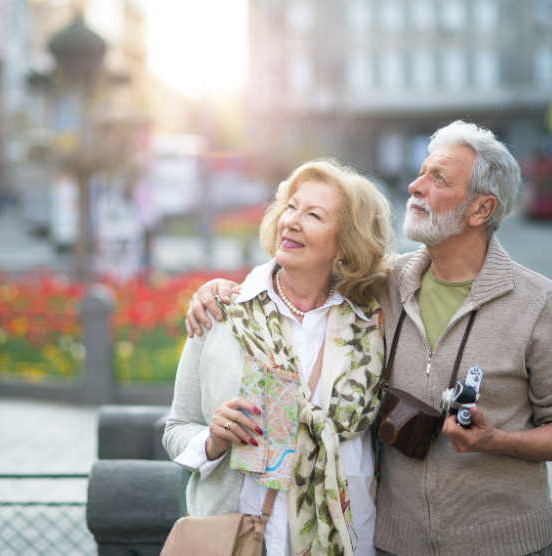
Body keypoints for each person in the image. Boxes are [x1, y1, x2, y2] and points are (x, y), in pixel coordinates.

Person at [185, 121, 552, 556]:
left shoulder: (537, 303)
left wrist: (497, 441)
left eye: (438, 179)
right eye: (422, 172)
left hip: (509, 547)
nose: (416, 186)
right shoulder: (382, 285)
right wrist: (218, 289)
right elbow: (300, 277)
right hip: (398, 545)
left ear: (480, 210)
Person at [163, 159, 396, 556]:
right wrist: (213, 440)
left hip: (349, 539)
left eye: (313, 215)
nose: (292, 221)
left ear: (345, 242)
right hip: (243, 539)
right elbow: (176, 427)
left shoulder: (373, 325)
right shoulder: (223, 313)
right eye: (291, 207)